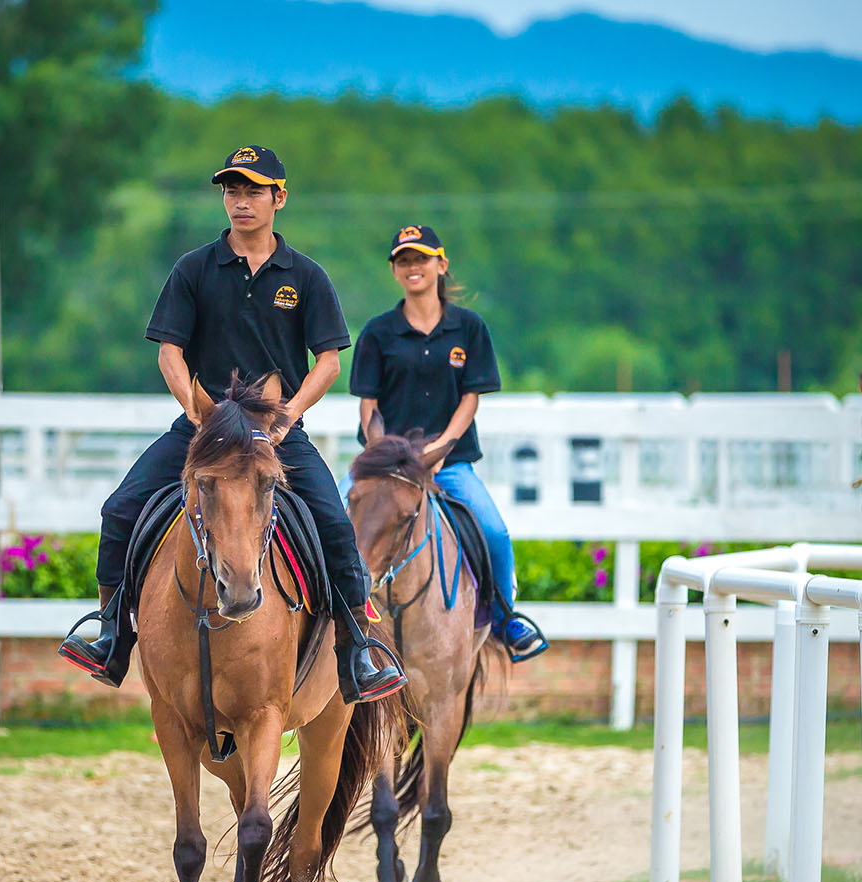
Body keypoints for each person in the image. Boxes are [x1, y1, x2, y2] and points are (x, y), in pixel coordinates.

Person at [58, 145, 407, 704]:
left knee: (337, 531)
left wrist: (290, 416)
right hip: (206, 430)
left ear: (279, 198)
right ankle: (111, 632)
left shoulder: (307, 276)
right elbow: (169, 354)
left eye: (253, 191)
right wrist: (199, 414)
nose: (240, 202)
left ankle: (355, 651)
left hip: (276, 433)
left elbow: (330, 363)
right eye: (231, 190)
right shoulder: (193, 269)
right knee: (120, 508)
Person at [346, 224, 547, 661]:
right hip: (388, 467)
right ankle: (332, 620)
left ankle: (505, 619)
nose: (413, 267)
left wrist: (440, 450)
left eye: (421, 258)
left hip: (449, 463)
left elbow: (470, 399)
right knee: (336, 523)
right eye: (403, 260)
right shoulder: (378, 333)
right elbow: (368, 404)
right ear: (395, 271)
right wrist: (377, 452)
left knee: (493, 531)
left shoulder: (469, 329)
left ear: (441, 264)